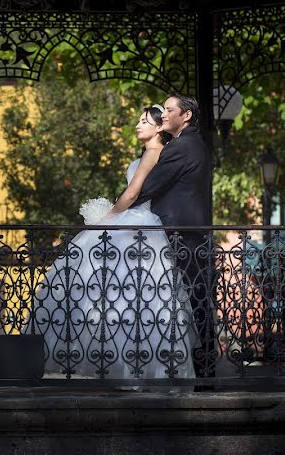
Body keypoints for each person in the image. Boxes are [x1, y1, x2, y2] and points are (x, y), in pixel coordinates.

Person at [31, 105, 196, 384]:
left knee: (127, 293)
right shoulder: (150, 153)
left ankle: (129, 365)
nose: (137, 125)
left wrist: (107, 218)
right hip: (140, 221)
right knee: (127, 295)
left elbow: (132, 193)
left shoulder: (154, 153)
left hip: (137, 222)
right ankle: (129, 364)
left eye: (144, 121)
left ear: (159, 128)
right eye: (138, 120)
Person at [125, 93, 213, 378]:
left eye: (169, 110)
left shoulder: (180, 148)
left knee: (181, 305)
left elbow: (148, 187)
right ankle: (198, 368)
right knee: (188, 304)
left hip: (179, 237)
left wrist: (115, 213)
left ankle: (189, 369)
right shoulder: (194, 144)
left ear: (185, 116)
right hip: (190, 237)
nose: (163, 114)